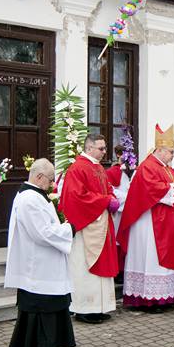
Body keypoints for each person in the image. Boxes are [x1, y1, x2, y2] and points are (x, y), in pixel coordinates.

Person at [117, 125, 174, 311]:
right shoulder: (148, 166)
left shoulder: (164, 167)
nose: (172, 156)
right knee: (152, 258)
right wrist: (173, 188)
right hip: (150, 223)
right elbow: (150, 189)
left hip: (165, 222)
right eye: (170, 152)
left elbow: (172, 188)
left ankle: (167, 296)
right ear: (159, 150)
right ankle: (150, 299)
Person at [5, 158, 76, 347]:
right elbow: (42, 232)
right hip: (38, 263)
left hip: (44, 261)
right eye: (50, 179)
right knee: (43, 306)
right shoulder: (29, 199)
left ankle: (51, 343)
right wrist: (68, 229)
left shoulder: (36, 196)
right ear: (38, 177)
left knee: (52, 303)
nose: (52, 184)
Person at [58, 134, 120, 324]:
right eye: (101, 148)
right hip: (87, 226)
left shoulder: (98, 167)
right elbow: (76, 196)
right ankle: (84, 309)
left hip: (101, 223)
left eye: (105, 148)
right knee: (84, 267)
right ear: (89, 148)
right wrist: (105, 201)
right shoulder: (78, 168)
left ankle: (100, 307)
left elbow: (107, 189)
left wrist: (112, 197)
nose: (104, 152)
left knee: (101, 265)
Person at [105, 144, 132, 235]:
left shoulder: (132, 169)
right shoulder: (111, 172)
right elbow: (110, 190)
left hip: (130, 208)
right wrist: (127, 198)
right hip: (119, 209)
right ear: (118, 155)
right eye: (124, 154)